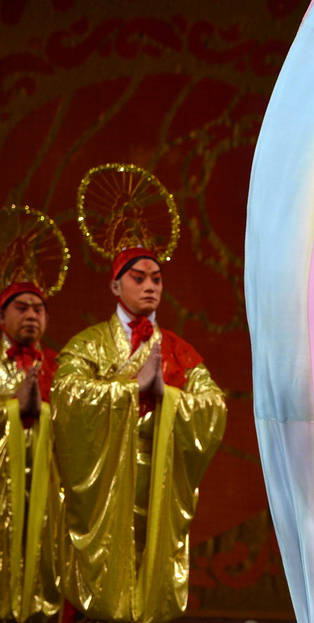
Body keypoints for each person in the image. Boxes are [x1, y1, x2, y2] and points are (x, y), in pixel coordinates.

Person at [51, 247, 227, 623]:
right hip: (105, 483)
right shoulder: (88, 345)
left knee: (150, 578)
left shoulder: (179, 351)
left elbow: (214, 405)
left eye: (157, 279)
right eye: (139, 278)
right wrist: (132, 387)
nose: (150, 286)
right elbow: (66, 394)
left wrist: (168, 395)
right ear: (116, 286)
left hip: (158, 485)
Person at [0, 281, 62, 623]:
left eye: (38, 310)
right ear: (2, 316)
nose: (30, 316)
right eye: (21, 308)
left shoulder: (61, 368)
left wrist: (45, 413)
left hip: (47, 488)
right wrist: (13, 409)